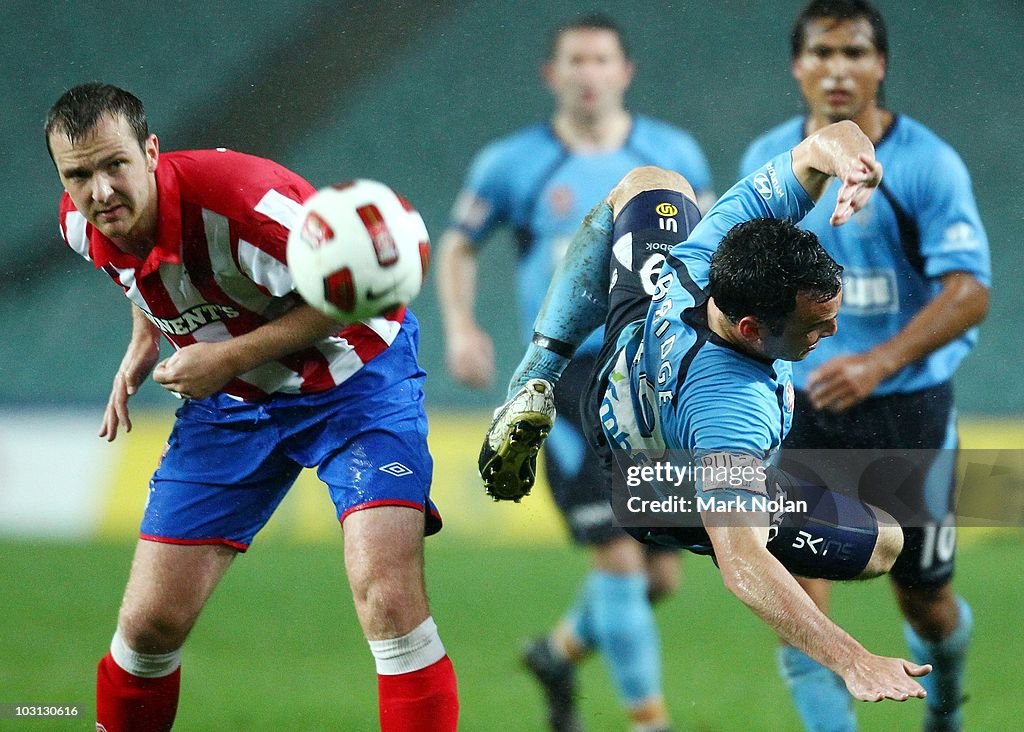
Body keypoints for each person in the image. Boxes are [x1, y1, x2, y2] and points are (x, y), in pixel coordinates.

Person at [482, 120, 936, 719]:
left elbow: (824, 141)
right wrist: (852, 658)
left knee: (651, 182)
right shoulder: (731, 409)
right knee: (884, 543)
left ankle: (535, 376)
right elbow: (743, 565)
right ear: (751, 329)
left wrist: (852, 161)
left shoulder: (714, 246)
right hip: (653, 477)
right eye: (815, 327)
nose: (831, 335)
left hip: (634, 343)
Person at [45, 82, 458, 732]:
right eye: (79, 175)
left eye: (114, 165)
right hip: (232, 404)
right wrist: (144, 338)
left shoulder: (252, 211)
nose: (99, 191)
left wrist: (230, 357)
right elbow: (135, 270)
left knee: (386, 593)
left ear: (150, 152)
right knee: (149, 624)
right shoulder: (81, 224)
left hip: (356, 383)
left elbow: (370, 296)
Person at [437, 14, 712, 732]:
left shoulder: (671, 155)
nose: (587, 73)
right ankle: (649, 722)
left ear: (625, 72)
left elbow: (709, 255)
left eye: (601, 60)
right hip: (564, 383)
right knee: (620, 557)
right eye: (574, 61)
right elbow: (459, 246)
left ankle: (559, 654)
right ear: (551, 75)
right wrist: (464, 328)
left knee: (660, 575)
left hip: (651, 379)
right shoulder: (512, 162)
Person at [738, 3, 990, 730]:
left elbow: (970, 291)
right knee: (799, 596)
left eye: (853, 52)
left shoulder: (926, 163)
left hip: (905, 408)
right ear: (798, 66)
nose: (837, 69)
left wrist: (877, 363)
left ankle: (945, 712)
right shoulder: (773, 161)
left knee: (927, 602)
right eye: (821, 53)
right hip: (798, 407)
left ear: (880, 65)